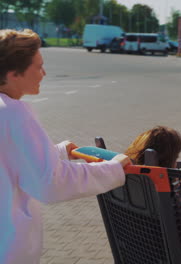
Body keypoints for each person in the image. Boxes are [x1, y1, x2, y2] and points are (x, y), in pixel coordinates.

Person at [0, 29, 131, 264]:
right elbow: (50, 183)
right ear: (13, 74)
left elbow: (10, 161)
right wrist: (114, 170)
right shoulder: (15, 113)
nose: (44, 73)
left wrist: (58, 152)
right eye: (38, 66)